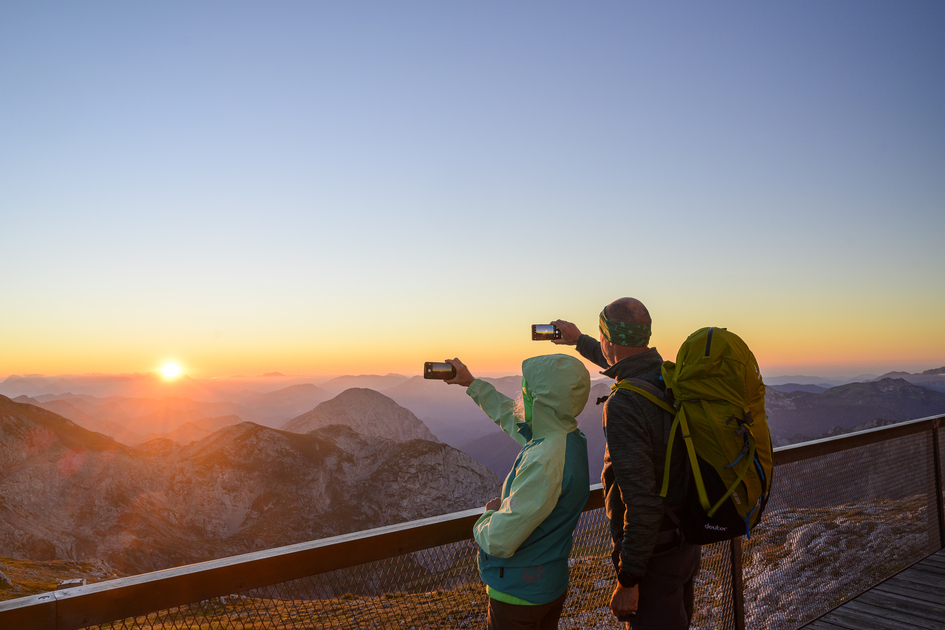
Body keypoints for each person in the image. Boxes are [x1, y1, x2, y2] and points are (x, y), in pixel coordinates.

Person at [550, 298, 701, 630]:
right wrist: (578, 340)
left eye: (601, 336)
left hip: (654, 559)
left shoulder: (624, 404)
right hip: (684, 542)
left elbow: (642, 502)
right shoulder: (666, 376)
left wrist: (629, 578)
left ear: (609, 338)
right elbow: (621, 361)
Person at [443, 354, 590, 630]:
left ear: (541, 399)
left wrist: (487, 517)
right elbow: (513, 418)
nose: (522, 397)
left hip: (518, 595)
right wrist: (471, 384)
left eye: (527, 391)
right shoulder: (568, 436)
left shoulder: (545, 460)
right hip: (548, 584)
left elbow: (500, 539)